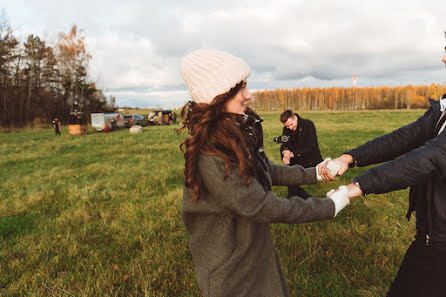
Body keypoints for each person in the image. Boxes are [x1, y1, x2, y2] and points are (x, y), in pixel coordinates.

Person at [177, 49, 350, 297]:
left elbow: (266, 170)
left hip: (251, 252)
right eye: (241, 88)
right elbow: (263, 206)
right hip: (232, 273)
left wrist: (316, 173)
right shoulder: (211, 154)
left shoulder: (235, 132)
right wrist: (329, 206)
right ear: (219, 95)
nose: (250, 95)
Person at [326, 44, 446, 297]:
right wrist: (351, 157)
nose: (444, 58)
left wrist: (356, 187)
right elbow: (405, 138)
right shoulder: (443, 108)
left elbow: (431, 157)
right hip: (432, 234)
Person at [279, 110, 323, 199]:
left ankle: (294, 199)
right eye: (287, 126)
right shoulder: (286, 129)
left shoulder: (308, 125)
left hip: (310, 160)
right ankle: (301, 198)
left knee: (291, 177)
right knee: (290, 176)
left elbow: (311, 148)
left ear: (295, 118)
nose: (290, 128)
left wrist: (293, 154)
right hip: (296, 160)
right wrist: (284, 153)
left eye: (291, 124)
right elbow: (284, 145)